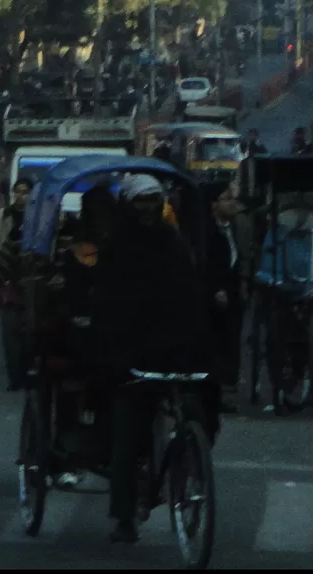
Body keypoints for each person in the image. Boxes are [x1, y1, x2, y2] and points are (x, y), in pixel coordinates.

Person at [95, 174, 208, 544]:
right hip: (131, 354)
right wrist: (117, 352)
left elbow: (190, 295)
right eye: (139, 202)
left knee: (200, 412)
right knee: (127, 437)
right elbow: (109, 304)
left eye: (152, 201)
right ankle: (124, 517)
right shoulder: (115, 247)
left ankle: (190, 471)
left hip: (174, 349)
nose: (145, 209)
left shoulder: (173, 243)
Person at [0, 177, 34, 390]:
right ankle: (15, 378)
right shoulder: (0, 218)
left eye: (25, 191)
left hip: (31, 283)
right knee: (10, 333)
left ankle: (28, 371)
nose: (21, 196)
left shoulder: (39, 218)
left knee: (30, 332)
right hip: (7, 282)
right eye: (17, 191)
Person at [204, 182, 249, 405]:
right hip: (215, 295)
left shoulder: (233, 228)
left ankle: (228, 385)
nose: (231, 203)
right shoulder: (207, 232)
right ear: (213, 204)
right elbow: (206, 263)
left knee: (231, 339)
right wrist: (215, 288)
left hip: (233, 293)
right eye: (225, 199)